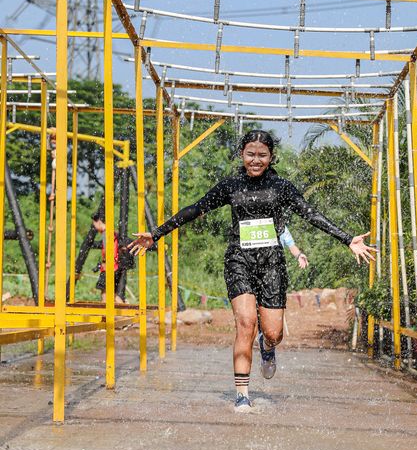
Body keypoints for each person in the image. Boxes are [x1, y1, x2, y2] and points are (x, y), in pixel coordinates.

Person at [129, 130, 375, 413]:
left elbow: (310, 213)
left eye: (262, 155)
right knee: (246, 323)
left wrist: (347, 239)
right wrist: (156, 234)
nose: (255, 160)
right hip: (239, 261)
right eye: (250, 154)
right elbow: (195, 208)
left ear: (271, 157)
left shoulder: (281, 187)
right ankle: (242, 395)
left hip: (271, 264)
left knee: (273, 333)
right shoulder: (230, 185)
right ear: (241, 154)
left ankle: (267, 347)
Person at [92, 214, 126, 304]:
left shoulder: (106, 233)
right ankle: (126, 309)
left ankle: (104, 311)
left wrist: (103, 263)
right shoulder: (113, 232)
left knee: (104, 293)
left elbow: (107, 250)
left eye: (94, 225)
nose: (95, 228)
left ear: (99, 222)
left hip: (109, 266)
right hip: (116, 266)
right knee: (113, 294)